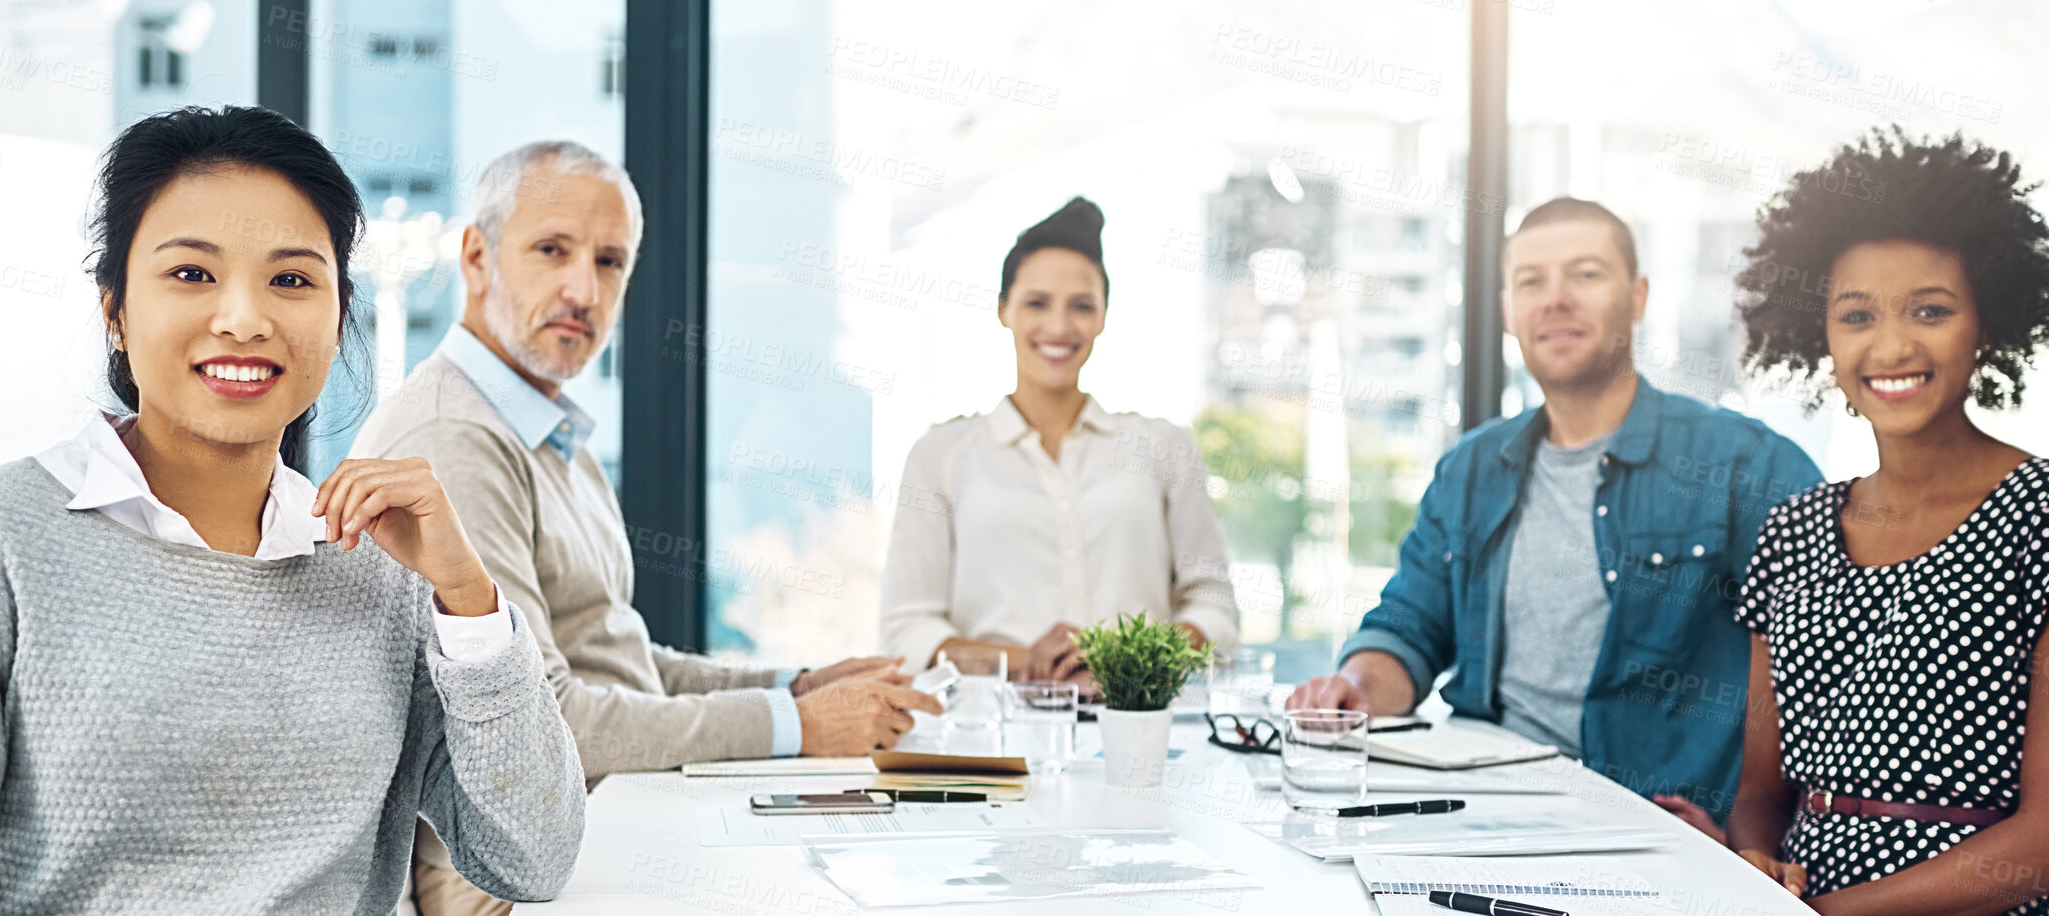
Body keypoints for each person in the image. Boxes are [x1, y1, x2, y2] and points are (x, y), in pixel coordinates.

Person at [0, 106, 582, 914]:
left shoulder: (381, 571)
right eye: (192, 275)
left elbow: (532, 860)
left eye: (291, 279)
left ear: (339, 315)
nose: (245, 319)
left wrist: (467, 597)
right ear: (116, 312)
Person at [350, 140, 943, 916]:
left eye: (609, 262)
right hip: (506, 878)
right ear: (476, 257)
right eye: (551, 251)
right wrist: (798, 723)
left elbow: (617, 656)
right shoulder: (456, 437)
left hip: (616, 812)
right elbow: (550, 718)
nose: (583, 289)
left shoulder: (547, 428)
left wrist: (794, 685)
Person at [1285, 197, 1822, 829]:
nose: (1556, 299)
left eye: (1586, 274)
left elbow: (1828, 682)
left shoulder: (1746, 465)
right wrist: (1354, 689)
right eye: (1531, 281)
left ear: (1639, 296)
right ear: (1509, 311)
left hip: (1655, 831)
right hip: (1478, 813)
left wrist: (1746, 835)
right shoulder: (1470, 469)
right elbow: (1408, 627)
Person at [1725, 129, 2049, 913]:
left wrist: (1823, 915)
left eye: (1930, 311)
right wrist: (1756, 861)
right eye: (1856, 315)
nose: (1891, 345)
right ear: (1820, 339)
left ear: (1988, 328)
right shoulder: (1791, 530)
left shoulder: (2040, 518)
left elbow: (2042, 845)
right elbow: (1760, 796)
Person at [880, 196, 1239, 685]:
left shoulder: (1163, 446)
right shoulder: (940, 456)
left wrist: (1130, 663)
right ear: (1003, 308)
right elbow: (909, 629)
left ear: (1104, 317)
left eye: (1081, 306)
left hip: (1138, 726)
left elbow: (1213, 604)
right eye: (1037, 303)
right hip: (993, 735)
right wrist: (1025, 661)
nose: (1059, 326)